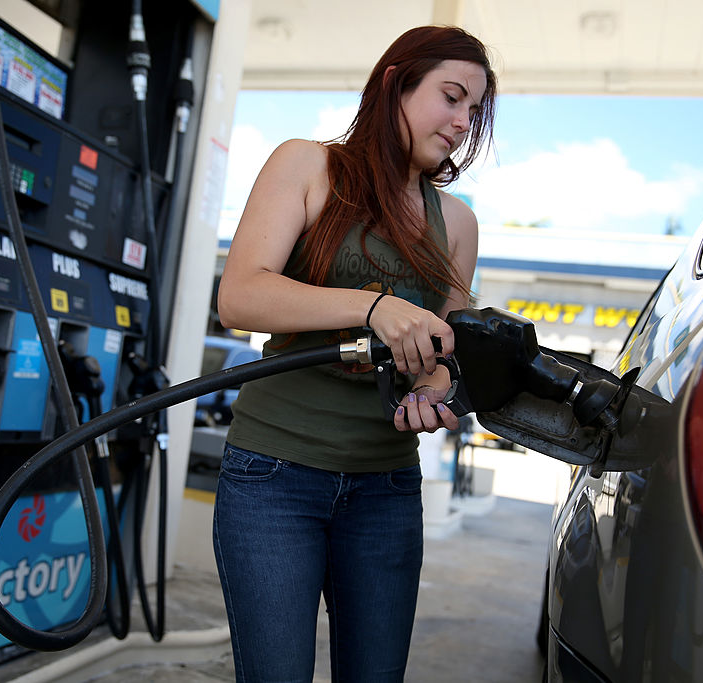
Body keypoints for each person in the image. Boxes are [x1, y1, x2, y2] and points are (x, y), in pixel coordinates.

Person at [213, 25, 497, 682]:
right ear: (396, 81)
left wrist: (441, 390)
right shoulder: (308, 165)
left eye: (474, 110)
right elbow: (242, 294)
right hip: (273, 477)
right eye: (452, 97)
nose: (462, 122)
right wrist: (370, 305)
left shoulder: (456, 222)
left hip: (385, 487)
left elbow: (448, 355)